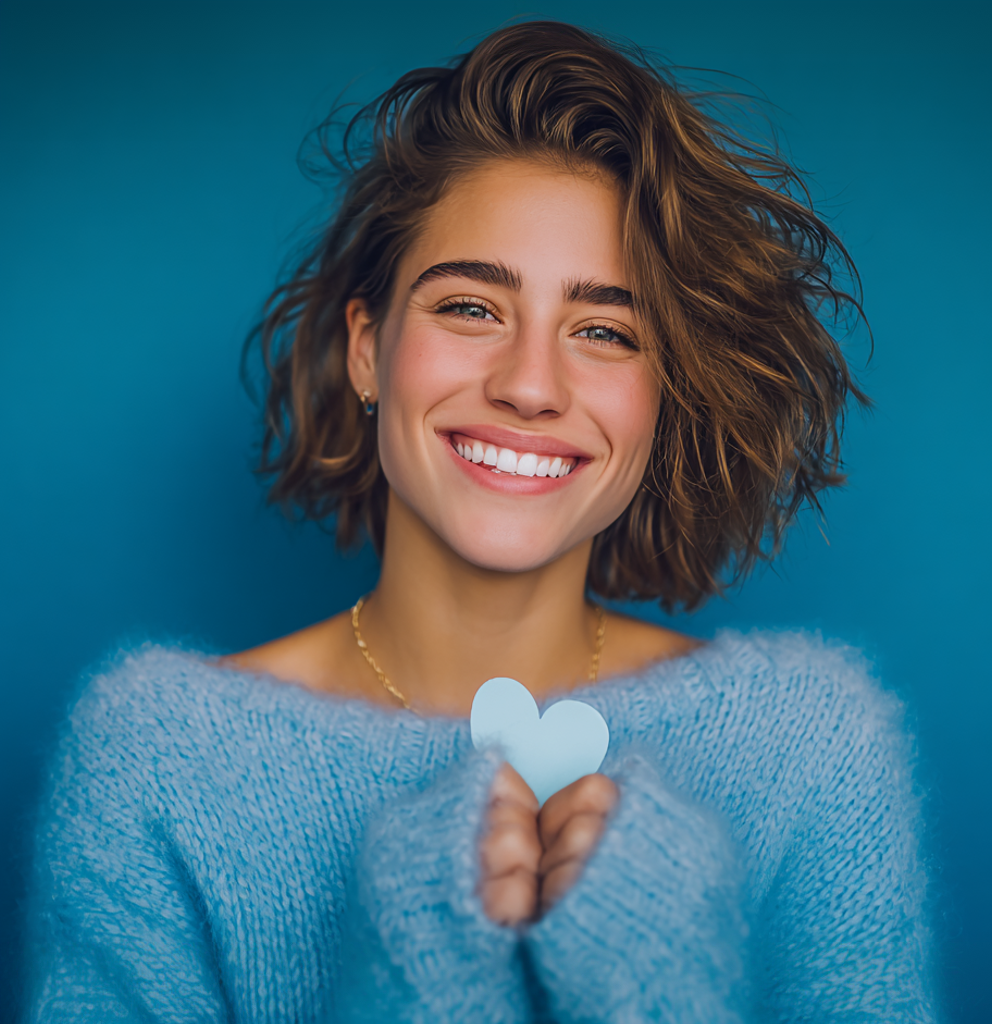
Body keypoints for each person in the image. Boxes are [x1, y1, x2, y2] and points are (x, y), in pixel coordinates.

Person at [22, 20, 939, 1023]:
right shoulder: (156, 759)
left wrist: (659, 991)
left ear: (665, 393)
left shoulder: (812, 750)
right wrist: (415, 975)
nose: (531, 385)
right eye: (470, 307)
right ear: (368, 350)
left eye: (604, 330)